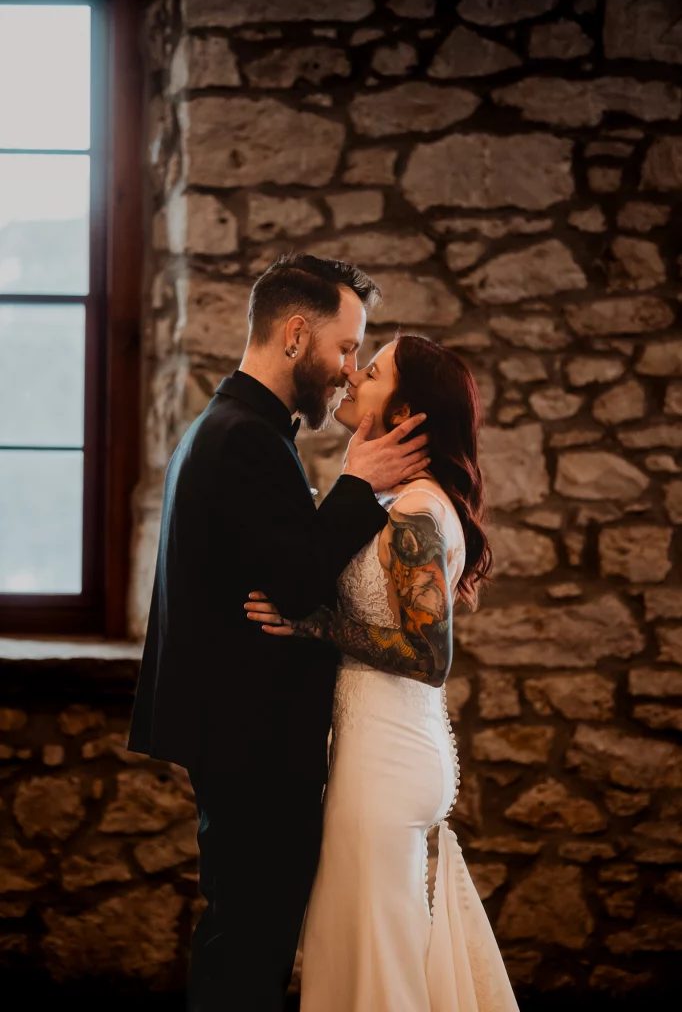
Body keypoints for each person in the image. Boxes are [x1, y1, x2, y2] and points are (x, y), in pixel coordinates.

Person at [126, 253, 431, 1012]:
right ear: (296, 334)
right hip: (253, 744)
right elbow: (298, 584)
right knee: (248, 950)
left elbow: (286, 578)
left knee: (247, 940)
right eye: (345, 347)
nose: (348, 370)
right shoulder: (243, 439)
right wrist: (360, 484)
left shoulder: (238, 428)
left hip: (242, 740)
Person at [245, 334, 520, 1012]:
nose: (350, 375)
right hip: (375, 747)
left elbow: (429, 658)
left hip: (388, 759)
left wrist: (312, 625)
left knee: (374, 953)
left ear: (402, 415)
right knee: (367, 945)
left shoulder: (417, 515)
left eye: (369, 372)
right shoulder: (400, 505)